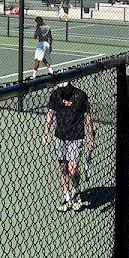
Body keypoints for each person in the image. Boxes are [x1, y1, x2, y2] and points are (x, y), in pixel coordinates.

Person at [43, 81, 95, 212]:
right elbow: (50, 114)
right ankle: (67, 198)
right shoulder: (55, 95)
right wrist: (45, 132)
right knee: (63, 169)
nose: (63, 90)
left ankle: (76, 193)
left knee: (73, 169)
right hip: (60, 136)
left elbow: (87, 117)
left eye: (64, 87)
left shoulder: (81, 95)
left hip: (76, 136)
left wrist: (91, 137)